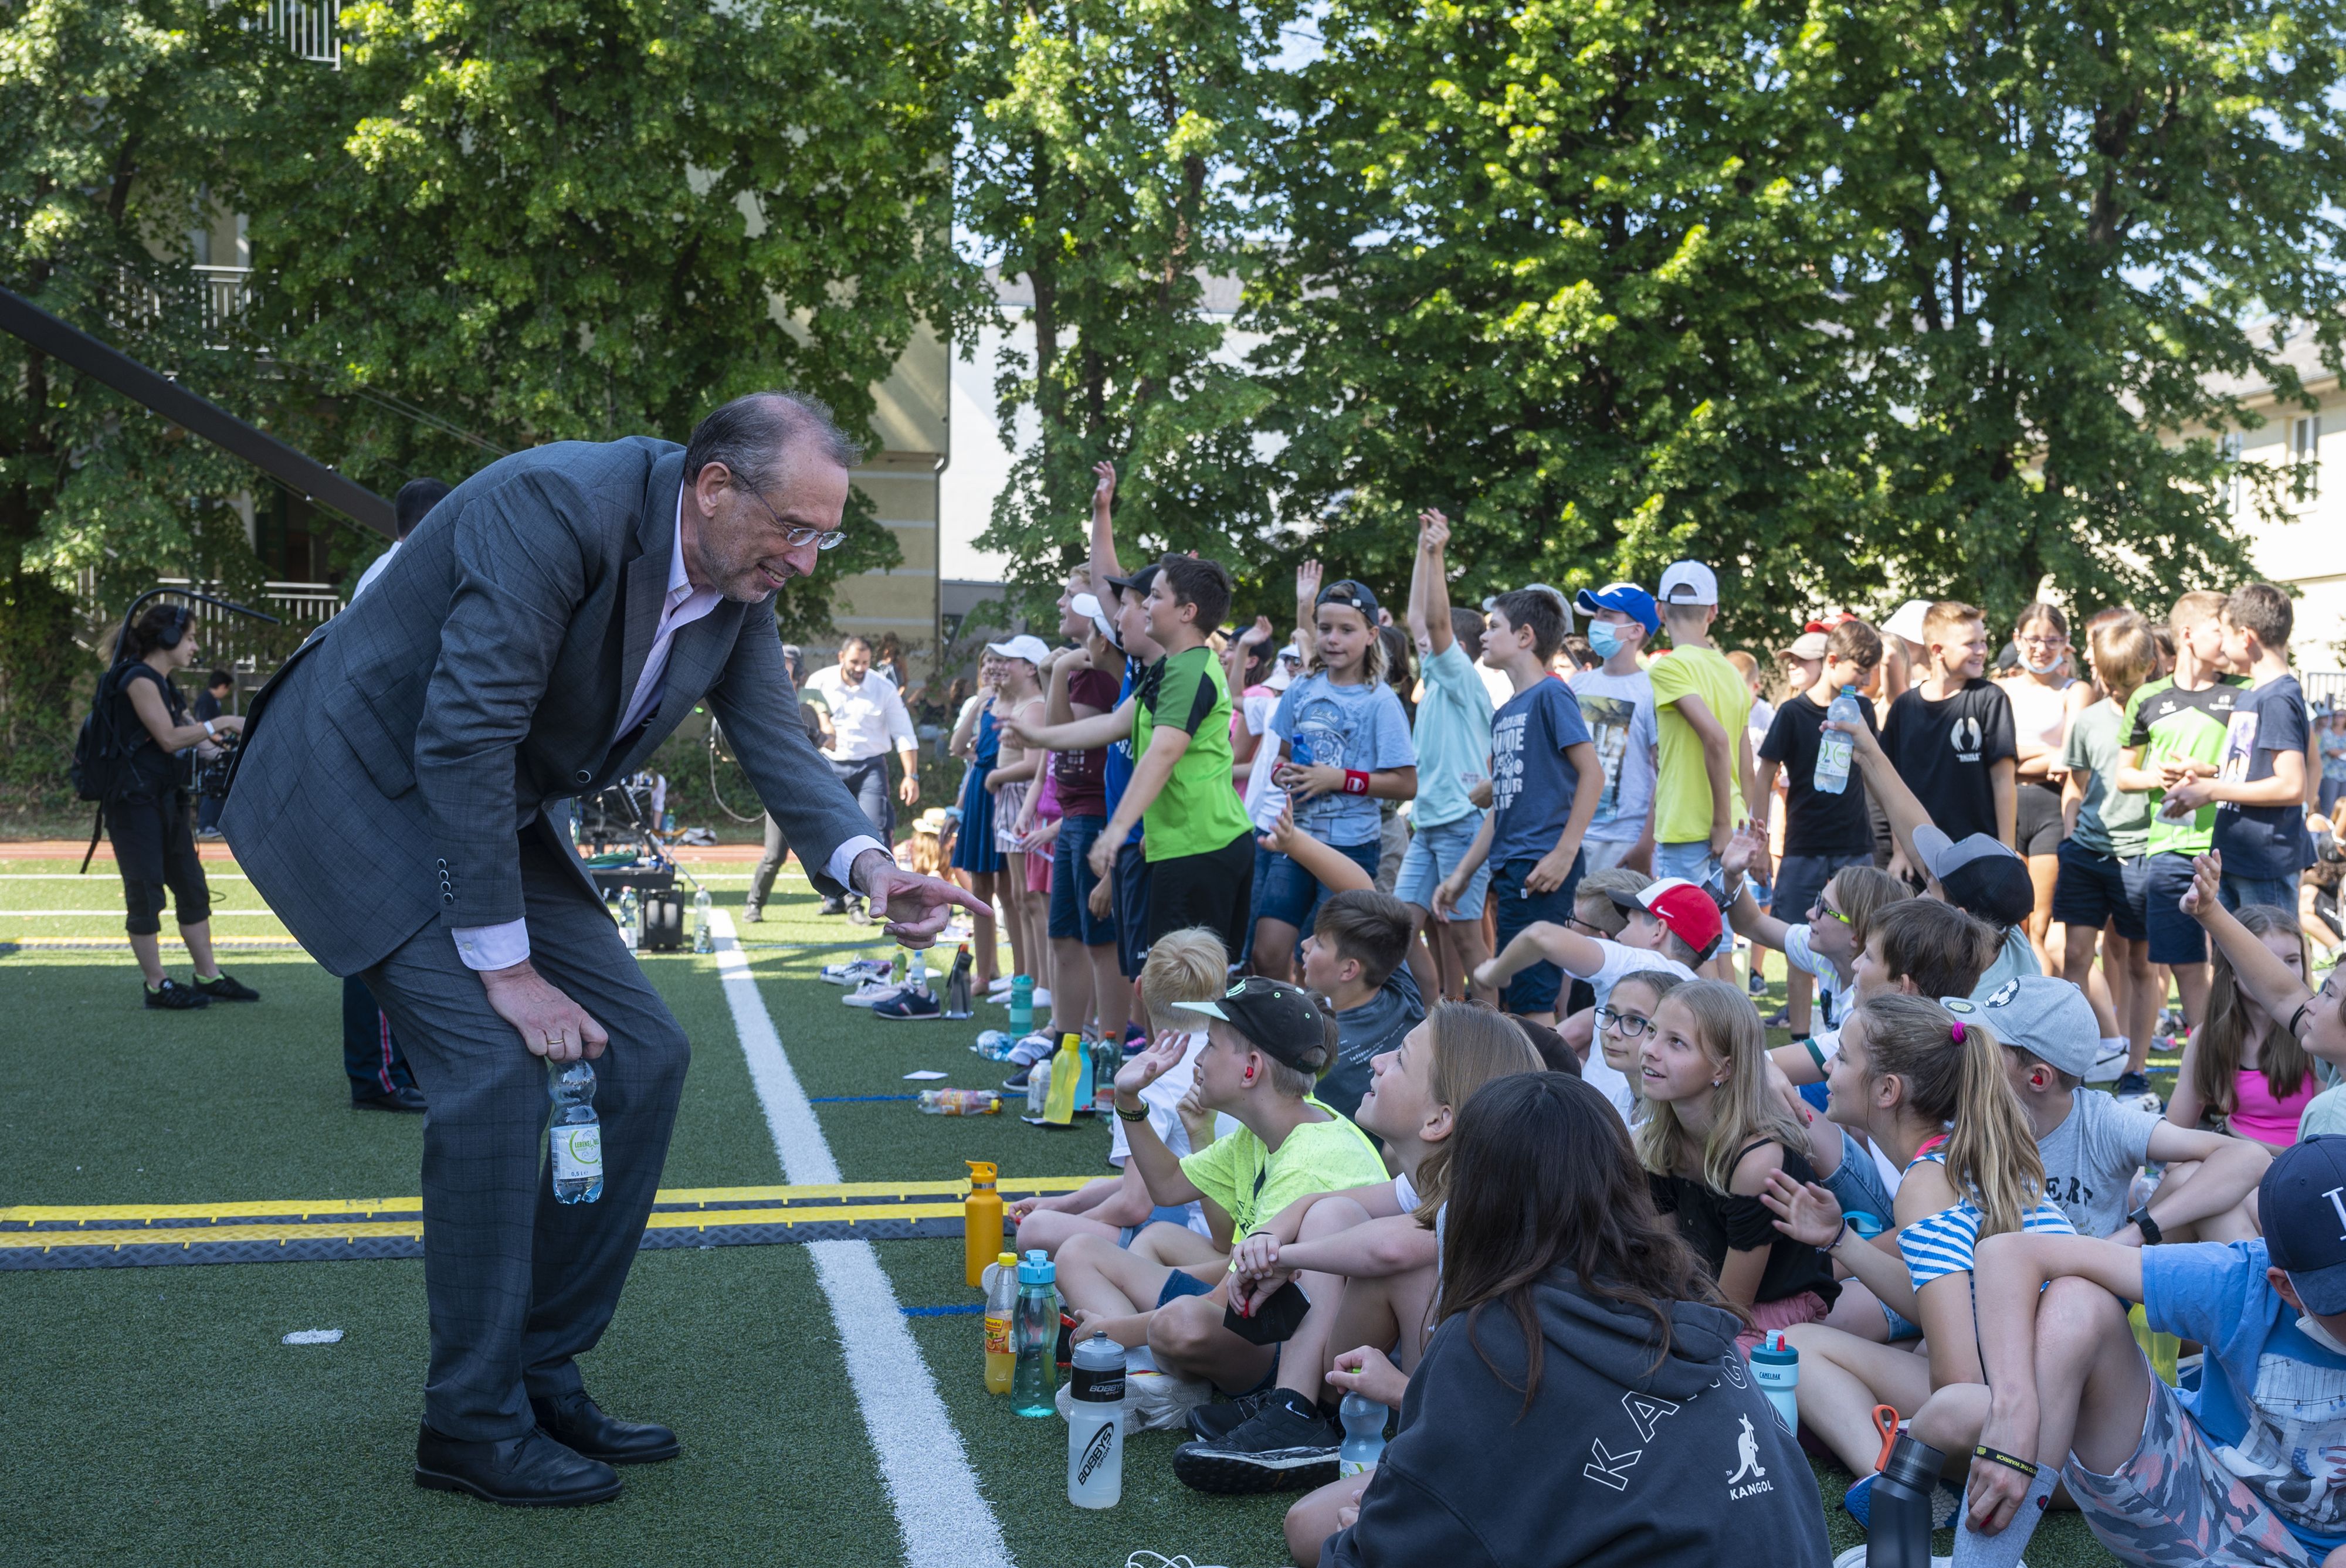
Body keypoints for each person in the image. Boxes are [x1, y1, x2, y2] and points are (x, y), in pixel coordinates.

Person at [221, 391, 984, 1506]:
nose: (808, 560)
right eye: (797, 529)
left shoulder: (738, 579)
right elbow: (467, 727)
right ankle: (469, 1423)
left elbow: (777, 743)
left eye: (824, 534)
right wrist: (510, 969)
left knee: (643, 1053)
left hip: (489, 801)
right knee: (491, 1071)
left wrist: (872, 869)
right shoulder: (553, 504)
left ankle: (536, 1362)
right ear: (714, 486)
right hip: (360, 783)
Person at [1314, 1071, 1835, 1567]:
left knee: (1316, 1529)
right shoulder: (1688, 1294)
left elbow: (1399, 1544)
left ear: (1477, 1194)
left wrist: (1362, 1541)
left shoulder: (1497, 1334)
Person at [1179, 1003, 1544, 1497]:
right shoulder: (1429, 1181)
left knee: (1389, 1262)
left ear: (1439, 1120)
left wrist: (1284, 1258)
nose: (1376, 1060)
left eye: (1401, 1060)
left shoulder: (1481, 1196)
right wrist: (1271, 1237)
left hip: (1468, 1422)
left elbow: (1389, 1250)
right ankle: (1296, 1410)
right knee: (1329, 1219)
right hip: (1426, 1389)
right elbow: (1322, 1204)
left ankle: (1332, 1423)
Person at [1955, 1138, 2346, 1568]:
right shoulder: (2240, 1281)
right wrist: (2014, 1412)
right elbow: (2007, 1252)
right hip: (2206, 1498)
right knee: (2075, 1307)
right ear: (2287, 1287)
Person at [1757, 992, 2077, 1492]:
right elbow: (1945, 1312)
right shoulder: (1963, 1152)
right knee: (1910, 1342)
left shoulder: (1927, 1184)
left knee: (1796, 1347)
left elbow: (1957, 1385)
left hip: (2038, 1444)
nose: (1829, 1072)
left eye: (1841, 1057)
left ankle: (1894, 1486)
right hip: (2064, 1419)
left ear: (1887, 1090)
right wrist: (1840, 1238)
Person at [1055, 977, 1388, 1393]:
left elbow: (1223, 1300)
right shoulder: (1270, 1126)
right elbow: (1169, 1185)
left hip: (1293, 1347)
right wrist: (1129, 1101)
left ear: (1250, 1069)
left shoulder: (1309, 1162)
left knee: (1178, 1324)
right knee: (1078, 1252)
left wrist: (1111, 1330)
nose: (1198, 1058)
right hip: (1254, 1312)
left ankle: (1140, 1368)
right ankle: (1147, 1373)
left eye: (1210, 1044)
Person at [1972, 973, 2269, 1243]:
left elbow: (2251, 1157)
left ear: (2038, 1078)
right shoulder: (1965, 1116)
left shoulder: (2100, 1122)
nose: (1974, 1051)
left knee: (2193, 1180)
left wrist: (2136, 1232)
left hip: (2095, 1282)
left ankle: (2266, 1296)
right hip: (2016, 1281)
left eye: (1990, 1045)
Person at [1429, 585, 1603, 1021]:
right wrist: (1463, 874)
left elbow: (1592, 773)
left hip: (1541, 868)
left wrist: (1564, 853)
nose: (1484, 637)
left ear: (1525, 637)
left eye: (1494, 628)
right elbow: (1502, 808)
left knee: (1531, 1001)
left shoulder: (1551, 694)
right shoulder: (1506, 712)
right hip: (1512, 869)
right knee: (1524, 999)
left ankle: (1542, 1089)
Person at [1637, 978, 1840, 1340]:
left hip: (1778, 1307)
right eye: (1652, 1031)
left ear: (1723, 1070)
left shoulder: (1756, 1160)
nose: (1650, 1050)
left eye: (1676, 1043)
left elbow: (1732, 1309)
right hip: (1703, 1295)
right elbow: (1667, 1261)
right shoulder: (1659, 1140)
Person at [1011, 929, 1233, 1256]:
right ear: (1224, 991)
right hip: (1241, 1228)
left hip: (1202, 1241)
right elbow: (1161, 1176)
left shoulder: (1150, 1078)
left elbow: (1134, 1205)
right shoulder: (1233, 1051)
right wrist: (1063, 1205)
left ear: (1139, 989)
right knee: (1091, 1191)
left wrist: (1074, 1225)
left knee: (1037, 1229)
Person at [1251, 572, 1418, 981]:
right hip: (1297, 839)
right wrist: (1284, 774)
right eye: (1324, 629)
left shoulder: (1380, 701)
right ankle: (1281, 1036)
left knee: (1328, 966)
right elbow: (1282, 759)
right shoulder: (1301, 689)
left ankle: (1323, 1041)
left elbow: (1406, 784)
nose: (1333, 639)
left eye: (1346, 630)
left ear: (1371, 634)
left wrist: (1338, 779)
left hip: (1352, 848)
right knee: (1267, 952)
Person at [100, 603, 259, 1009]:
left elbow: (203, 746)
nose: (194, 646)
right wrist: (223, 722)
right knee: (146, 892)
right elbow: (170, 738)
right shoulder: (136, 679)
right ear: (168, 639)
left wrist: (242, 748)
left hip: (166, 800)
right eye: (189, 637)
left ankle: (208, 976)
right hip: (133, 804)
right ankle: (157, 985)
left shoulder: (166, 685)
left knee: (192, 887)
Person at [2116, 589, 2246, 1033]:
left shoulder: (2244, 692)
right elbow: (2124, 776)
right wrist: (2161, 777)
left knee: (2240, 964)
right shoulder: (2146, 698)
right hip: (2169, 850)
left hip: (2230, 844)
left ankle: (2251, 1065)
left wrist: (2205, 771)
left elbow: (2256, 767)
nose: (2230, 640)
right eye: (2220, 629)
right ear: (2188, 635)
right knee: (2187, 965)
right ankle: (2210, 1067)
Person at [1473, 872, 1711, 1112]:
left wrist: (1495, 974)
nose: (1619, 935)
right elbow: (1578, 1028)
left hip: (1601, 1114)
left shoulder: (1636, 962)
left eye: (1629, 922)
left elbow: (1540, 936)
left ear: (1659, 931)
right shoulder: (1695, 991)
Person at [1756, 616, 1887, 1033]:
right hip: (1805, 844)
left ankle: (1857, 1024)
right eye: (1860, 670)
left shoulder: (1861, 708)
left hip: (1854, 842)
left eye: (1870, 671)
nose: (1866, 680)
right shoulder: (1793, 713)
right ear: (1833, 660)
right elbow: (1765, 773)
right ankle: (1799, 1032)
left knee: (1862, 937)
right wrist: (1760, 840)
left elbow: (1874, 770)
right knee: (1799, 939)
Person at [2055, 612, 2162, 1099]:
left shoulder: (2164, 718)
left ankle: (2135, 1066)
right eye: (2110, 680)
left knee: (2141, 964)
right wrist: (2070, 829)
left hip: (2140, 855)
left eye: (2128, 680)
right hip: (2087, 854)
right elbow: (2075, 784)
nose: (2118, 690)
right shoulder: (2089, 719)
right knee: (2074, 955)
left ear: (2150, 665)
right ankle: (2069, 1058)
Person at [1260, 804, 1423, 1119]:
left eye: (1319, 942)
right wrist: (1292, 841)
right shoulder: (1401, 992)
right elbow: (1362, 888)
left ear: (1350, 969)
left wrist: (1293, 841)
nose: (1304, 945)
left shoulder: (1311, 1049)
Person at [2164, 582, 2316, 912]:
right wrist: (2210, 773)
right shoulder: (2254, 693)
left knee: (2268, 958)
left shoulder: (2278, 697)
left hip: (2265, 862)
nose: (2220, 641)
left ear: (2245, 637)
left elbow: (2292, 785)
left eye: (2225, 632)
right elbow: (2259, 769)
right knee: (2232, 961)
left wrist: (2212, 790)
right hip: (2236, 855)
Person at [1396, 511, 1499, 999]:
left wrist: (1438, 554)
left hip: (1462, 822)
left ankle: (1492, 1032)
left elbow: (1433, 620)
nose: (1421, 642)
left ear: (1455, 648)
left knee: (1466, 936)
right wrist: (1422, 546)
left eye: (1433, 643)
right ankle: (1434, 1014)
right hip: (1430, 823)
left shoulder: (1460, 678)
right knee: (1398, 928)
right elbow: (1419, 618)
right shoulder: (1435, 683)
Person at [1038, 591, 1127, 1049]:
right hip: (1077, 815)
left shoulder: (1096, 679)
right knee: (1064, 936)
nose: (1062, 603)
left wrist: (1055, 675)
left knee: (1099, 941)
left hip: (1095, 814)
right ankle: (1066, 1045)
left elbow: (1061, 736)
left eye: (1070, 597)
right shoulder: (1082, 674)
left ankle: (1104, 1050)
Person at [2167, 904, 2318, 1152]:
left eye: (2291, 961)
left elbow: (2328, 1143)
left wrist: (2235, 1140)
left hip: (2298, 1168)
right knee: (2146, 1179)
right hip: (2235, 1160)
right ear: (2233, 970)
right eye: (2264, 962)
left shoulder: (2316, 1034)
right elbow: (2175, 1134)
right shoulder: (2209, 1036)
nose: (2279, 972)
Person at [1645, 561, 1752, 897]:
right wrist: (1738, 823)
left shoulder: (1670, 667)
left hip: (1689, 826)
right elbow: (1746, 764)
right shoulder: (1732, 672)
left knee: (1682, 939)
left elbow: (1717, 740)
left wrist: (1721, 823)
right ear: (1714, 612)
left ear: (1659, 610)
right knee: (1719, 933)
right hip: (1732, 823)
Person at [1880, 599, 2018, 856]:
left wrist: (2007, 848)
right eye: (1970, 644)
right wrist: (1900, 852)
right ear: (1937, 650)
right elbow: (1893, 787)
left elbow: (2003, 779)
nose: (1981, 651)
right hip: (1918, 852)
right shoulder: (1904, 708)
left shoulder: (1991, 698)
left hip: (1979, 850)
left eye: (1983, 641)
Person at [1999, 602, 2090, 973]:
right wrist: (2048, 754)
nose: (2042, 648)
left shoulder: (2075, 690)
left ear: (2066, 642)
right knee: (2011, 925)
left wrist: (2018, 758)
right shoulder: (1999, 689)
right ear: (2017, 639)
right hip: (2006, 807)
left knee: (2038, 926)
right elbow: (1997, 756)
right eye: (2034, 639)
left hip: (2052, 810)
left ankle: (2040, 1020)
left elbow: (2071, 760)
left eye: (2052, 640)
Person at [805, 633, 923, 920]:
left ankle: (860, 903)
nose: (860, 668)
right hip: (829, 766)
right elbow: (803, 723)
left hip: (870, 767)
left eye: (866, 663)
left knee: (873, 831)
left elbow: (904, 734)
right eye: (855, 662)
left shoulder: (883, 688)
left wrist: (912, 775)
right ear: (841, 658)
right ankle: (834, 897)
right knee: (827, 830)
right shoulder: (819, 682)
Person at [1571, 580, 1662, 877]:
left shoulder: (1652, 691)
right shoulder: (1578, 685)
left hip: (1624, 841)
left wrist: (1645, 845)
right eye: (1596, 615)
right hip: (1572, 834)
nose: (1596, 623)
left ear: (1636, 630)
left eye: (1607, 616)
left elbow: (1664, 772)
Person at [741, 640, 831, 923]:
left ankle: (851, 906)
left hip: (813, 783)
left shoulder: (811, 697)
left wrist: (820, 735)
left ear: (799, 670)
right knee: (775, 855)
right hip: (779, 785)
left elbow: (830, 733)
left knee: (835, 846)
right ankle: (754, 904)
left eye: (787, 665)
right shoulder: (765, 693)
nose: (781, 669)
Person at [980, 635, 1050, 993]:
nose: (1002, 667)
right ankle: (1029, 978)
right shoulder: (1020, 703)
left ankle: (1042, 982)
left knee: (1031, 897)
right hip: (1011, 800)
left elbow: (1034, 765)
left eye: (1012, 661)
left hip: (1021, 799)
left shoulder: (1035, 705)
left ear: (1030, 668)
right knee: (1021, 898)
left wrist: (995, 776)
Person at [945, 651, 1007, 986]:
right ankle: (987, 971)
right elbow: (958, 748)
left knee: (1012, 892)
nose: (992, 669)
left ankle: (1026, 976)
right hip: (980, 796)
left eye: (999, 662)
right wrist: (976, 704)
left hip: (1008, 795)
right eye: (986, 664)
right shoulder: (981, 705)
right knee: (980, 886)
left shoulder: (1023, 704)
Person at [191, 668, 235, 838]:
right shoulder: (206, 700)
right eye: (227, 688)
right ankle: (206, 824)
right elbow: (203, 725)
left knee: (220, 784)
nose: (227, 692)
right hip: (208, 750)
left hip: (215, 749)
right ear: (222, 686)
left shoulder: (213, 701)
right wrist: (221, 741)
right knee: (212, 784)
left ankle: (214, 823)